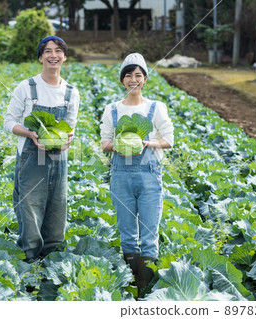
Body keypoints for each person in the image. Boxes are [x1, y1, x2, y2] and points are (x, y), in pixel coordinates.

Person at [100, 53, 174, 295]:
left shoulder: (155, 108)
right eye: (128, 75)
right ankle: (134, 286)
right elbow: (105, 144)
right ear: (123, 80)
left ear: (144, 79)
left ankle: (148, 289)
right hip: (121, 175)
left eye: (138, 75)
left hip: (150, 175)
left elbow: (168, 140)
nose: (133, 79)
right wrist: (120, 145)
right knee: (128, 234)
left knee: (150, 233)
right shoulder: (112, 109)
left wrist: (146, 142)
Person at [3, 36, 80, 262]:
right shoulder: (27, 87)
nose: (53, 55)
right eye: (47, 51)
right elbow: (8, 121)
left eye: (58, 51)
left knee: (57, 211)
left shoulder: (71, 92)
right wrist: (29, 133)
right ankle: (30, 264)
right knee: (30, 210)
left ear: (64, 57)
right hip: (31, 159)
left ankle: (52, 266)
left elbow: (71, 127)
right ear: (40, 57)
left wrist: (68, 138)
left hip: (58, 159)